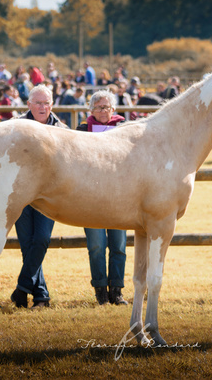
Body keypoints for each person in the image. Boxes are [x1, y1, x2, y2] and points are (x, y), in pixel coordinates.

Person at [10, 85, 68, 309]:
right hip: (22, 195)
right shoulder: (17, 127)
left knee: (42, 239)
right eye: (38, 103)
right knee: (27, 245)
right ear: (29, 105)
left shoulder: (61, 129)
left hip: (48, 196)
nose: (43, 107)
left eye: (46, 103)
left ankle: (23, 288)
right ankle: (41, 296)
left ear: (52, 105)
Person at [76, 90, 128, 305]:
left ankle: (117, 290)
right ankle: (100, 291)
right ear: (91, 110)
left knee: (119, 246)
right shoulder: (81, 131)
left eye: (106, 107)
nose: (103, 111)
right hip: (91, 197)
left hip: (120, 196)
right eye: (98, 107)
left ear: (113, 109)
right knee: (96, 246)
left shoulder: (125, 128)